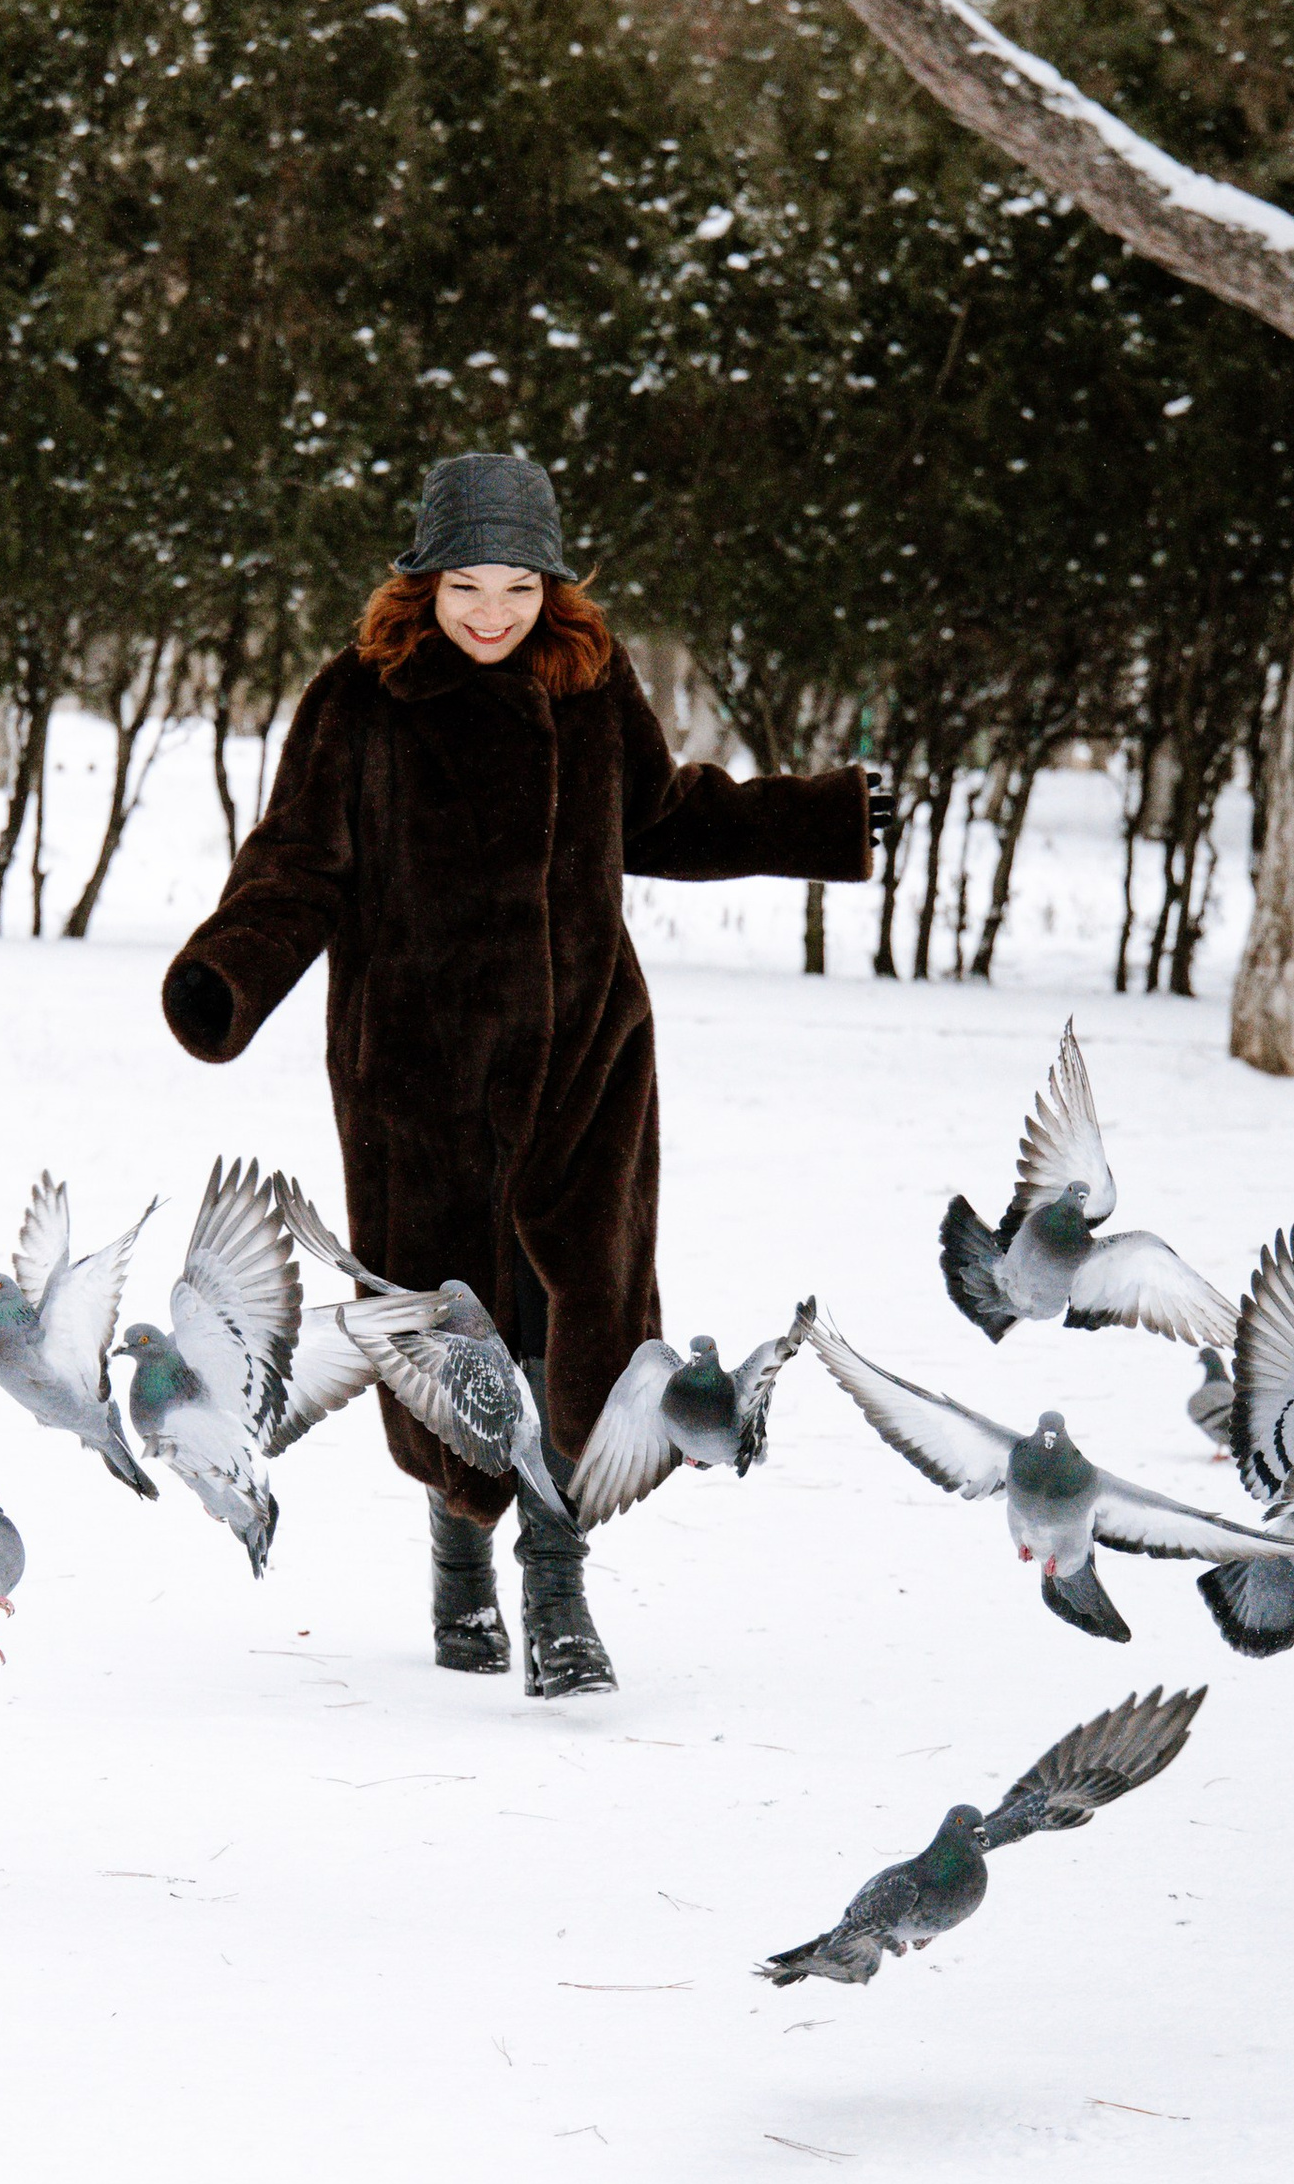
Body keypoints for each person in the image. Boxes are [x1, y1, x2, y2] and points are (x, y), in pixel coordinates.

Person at [160, 452, 871, 1696]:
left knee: (577, 1325)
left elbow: (661, 819)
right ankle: (455, 1555)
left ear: (555, 585)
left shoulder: (590, 687)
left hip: (587, 1060)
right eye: (466, 586)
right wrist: (231, 972)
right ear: (421, 580)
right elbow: (295, 865)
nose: (492, 614)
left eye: (520, 587)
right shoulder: (359, 700)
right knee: (453, 1336)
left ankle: (556, 1590)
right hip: (418, 1082)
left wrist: (817, 819)